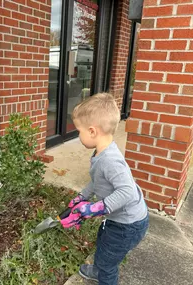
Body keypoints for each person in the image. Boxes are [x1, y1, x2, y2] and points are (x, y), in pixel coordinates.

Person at [60, 93, 149, 285]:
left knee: (109, 263)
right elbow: (97, 179)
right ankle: (98, 267)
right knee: (103, 243)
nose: (78, 135)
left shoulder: (110, 160)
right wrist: (82, 196)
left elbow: (127, 192)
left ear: (92, 131)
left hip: (127, 225)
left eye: (78, 131)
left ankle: (103, 273)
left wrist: (94, 208)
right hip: (118, 220)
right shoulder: (101, 153)